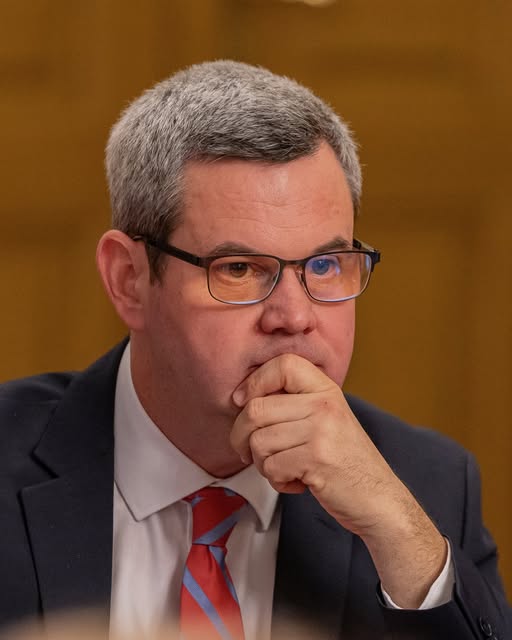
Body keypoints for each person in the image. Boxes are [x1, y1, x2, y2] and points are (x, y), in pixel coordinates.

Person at [0, 61, 510, 640]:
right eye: (239, 268)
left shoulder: (427, 484)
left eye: (325, 265)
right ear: (129, 279)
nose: (294, 316)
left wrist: (397, 532)